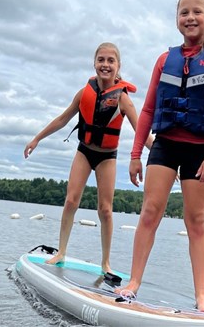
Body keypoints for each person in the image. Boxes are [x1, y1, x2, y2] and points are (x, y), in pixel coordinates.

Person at [115, 0, 204, 313]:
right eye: (184, 12)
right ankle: (133, 284)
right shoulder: (163, 60)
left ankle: (201, 297)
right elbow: (147, 110)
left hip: (201, 152)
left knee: (196, 221)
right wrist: (135, 154)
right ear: (177, 19)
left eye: (197, 11)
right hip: (166, 146)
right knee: (150, 212)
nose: (190, 17)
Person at [23, 42, 152, 276]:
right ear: (94, 63)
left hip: (107, 158)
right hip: (84, 151)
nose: (105, 65)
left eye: (110, 61)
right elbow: (62, 119)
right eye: (101, 60)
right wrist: (37, 139)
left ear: (118, 66)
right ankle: (61, 251)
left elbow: (141, 132)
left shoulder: (123, 99)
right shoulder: (84, 93)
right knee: (71, 201)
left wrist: (164, 156)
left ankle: (106, 263)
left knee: (105, 210)